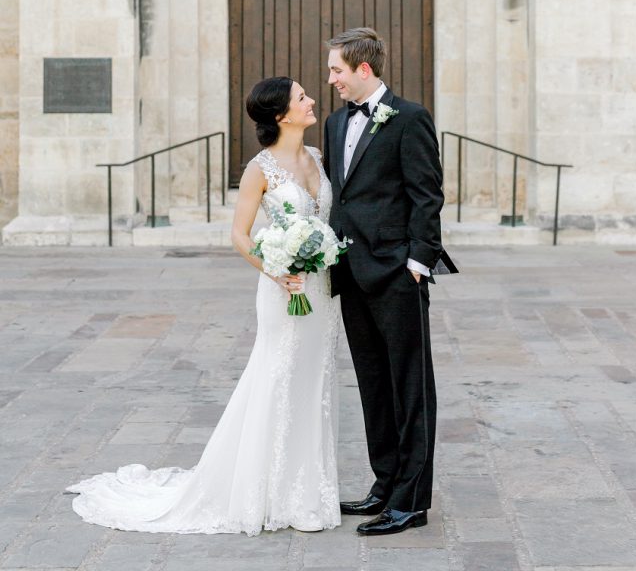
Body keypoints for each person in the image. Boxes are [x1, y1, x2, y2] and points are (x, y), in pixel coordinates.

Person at [68, 77, 341, 536]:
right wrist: (274, 269)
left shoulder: (316, 157)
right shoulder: (260, 168)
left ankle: (304, 492)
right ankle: (264, 492)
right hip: (282, 289)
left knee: (315, 381)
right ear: (281, 115)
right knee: (278, 376)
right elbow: (239, 234)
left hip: (319, 287)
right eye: (300, 97)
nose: (311, 99)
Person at [324, 27, 449, 537]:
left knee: (409, 386)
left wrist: (418, 263)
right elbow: (344, 197)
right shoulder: (335, 123)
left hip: (398, 273)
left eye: (337, 70)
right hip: (351, 273)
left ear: (363, 70)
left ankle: (411, 501)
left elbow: (427, 195)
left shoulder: (411, 118)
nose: (331, 80)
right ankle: (384, 482)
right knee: (373, 384)